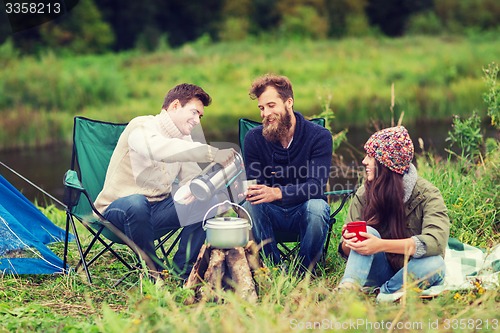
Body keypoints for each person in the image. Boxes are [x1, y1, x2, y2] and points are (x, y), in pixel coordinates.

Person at [94, 83, 235, 279]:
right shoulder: (141, 126)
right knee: (137, 202)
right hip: (118, 213)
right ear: (175, 105)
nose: (197, 120)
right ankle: (154, 273)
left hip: (157, 212)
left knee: (209, 201)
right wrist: (212, 153)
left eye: (200, 116)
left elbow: (191, 179)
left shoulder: (184, 140)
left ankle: (182, 274)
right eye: (194, 112)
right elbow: (157, 148)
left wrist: (216, 185)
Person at [337, 126, 450, 301]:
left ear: (386, 164)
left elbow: (436, 241)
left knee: (436, 263)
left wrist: (380, 245)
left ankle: (385, 292)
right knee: (366, 232)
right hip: (379, 269)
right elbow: (346, 250)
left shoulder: (427, 195)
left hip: (414, 270)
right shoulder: (364, 193)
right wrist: (349, 241)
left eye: (370, 156)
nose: (364, 161)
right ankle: (348, 289)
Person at [242, 74, 333, 274]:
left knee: (318, 207)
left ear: (289, 102)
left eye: (271, 105)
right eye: (261, 108)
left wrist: (277, 192)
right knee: (251, 204)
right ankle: (274, 270)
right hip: (271, 214)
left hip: (305, 211)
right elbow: (255, 185)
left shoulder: (319, 136)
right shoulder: (254, 138)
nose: (266, 113)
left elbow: (316, 186)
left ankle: (304, 271)